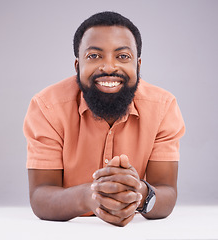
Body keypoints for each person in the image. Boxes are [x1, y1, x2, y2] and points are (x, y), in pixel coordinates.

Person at [23, 11, 185, 227]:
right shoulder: (47, 107)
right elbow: (40, 196)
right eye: (94, 56)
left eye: (122, 56)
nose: (109, 67)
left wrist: (139, 193)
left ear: (138, 64)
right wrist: (91, 196)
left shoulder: (163, 107)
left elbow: (167, 192)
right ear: (77, 65)